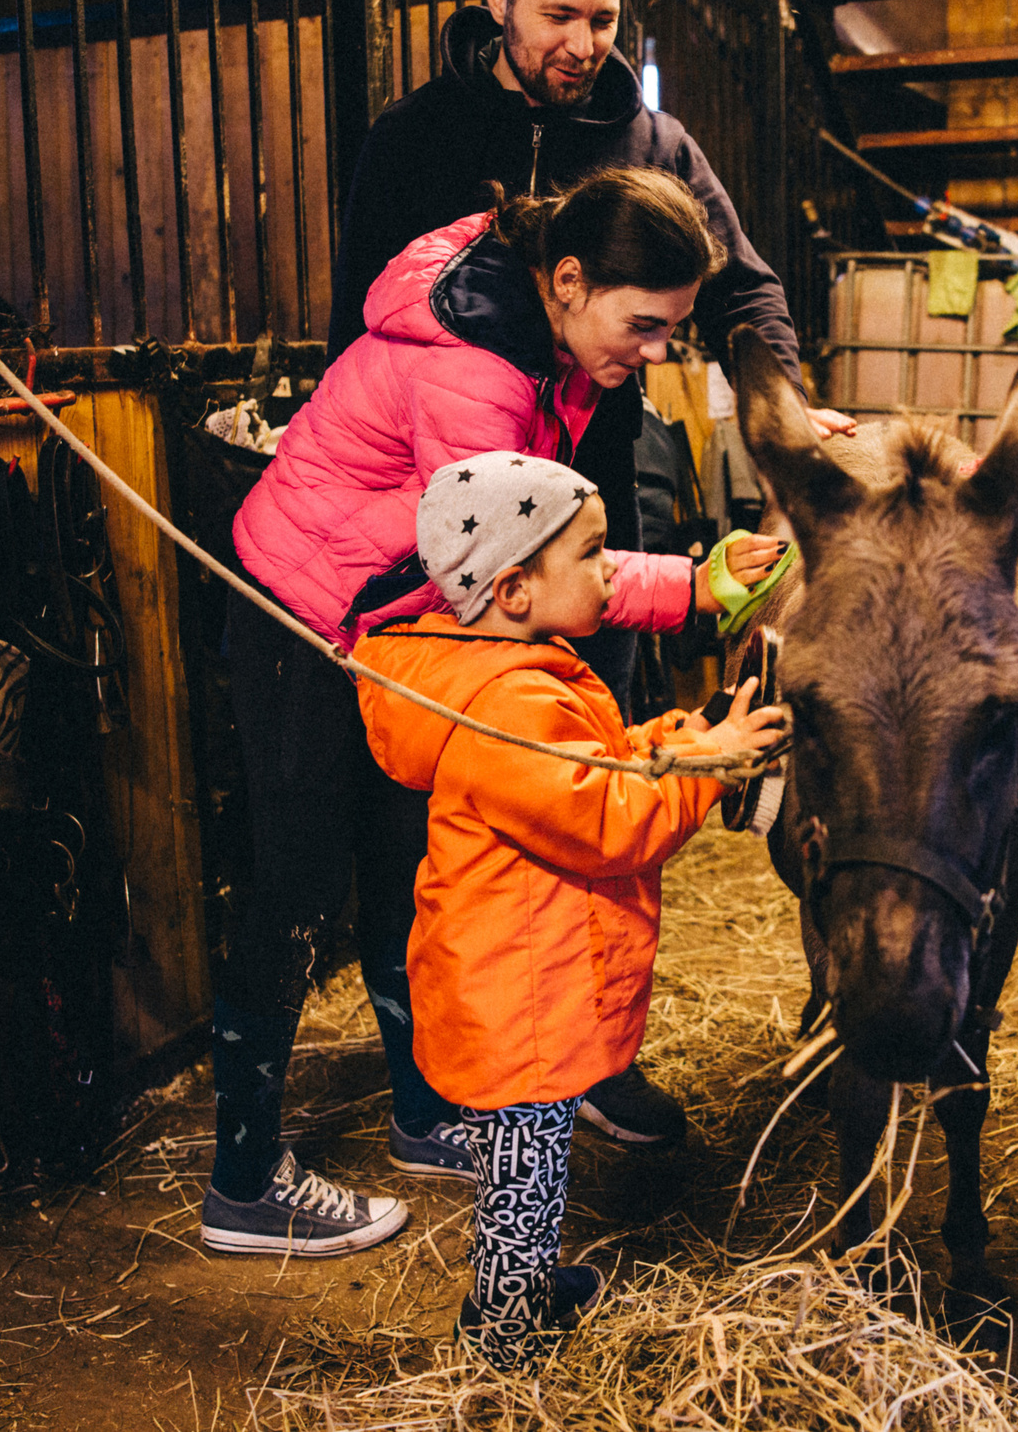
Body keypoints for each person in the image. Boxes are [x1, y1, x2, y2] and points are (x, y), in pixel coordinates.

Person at [320, 0, 847, 1149]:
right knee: (439, 805)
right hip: (439, 528)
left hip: (591, 504)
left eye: (602, 17)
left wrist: (776, 410)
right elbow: (365, 316)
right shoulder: (419, 137)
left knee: (590, 758)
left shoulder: (652, 140)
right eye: (558, 13)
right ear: (497, 0)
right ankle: (437, 1071)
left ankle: (590, 1049)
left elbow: (745, 289)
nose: (582, 41)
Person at [205, 168, 786, 1256]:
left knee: (403, 862)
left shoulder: (537, 337)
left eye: (674, 329)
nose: (657, 352)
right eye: (645, 324)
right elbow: (524, 568)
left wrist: (697, 583)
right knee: (296, 886)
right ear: (566, 281)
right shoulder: (476, 369)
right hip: (305, 610)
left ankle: (426, 1113)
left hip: (388, 620)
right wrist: (691, 588)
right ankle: (242, 1178)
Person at [351, 452, 788, 1367]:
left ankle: (523, 1287)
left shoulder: (506, 669)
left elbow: (598, 767)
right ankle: (508, 1335)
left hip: (515, 976)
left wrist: (683, 734)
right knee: (526, 1173)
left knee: (526, 1170)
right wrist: (708, 767)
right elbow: (607, 820)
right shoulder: (508, 700)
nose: (611, 572)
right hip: (523, 999)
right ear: (514, 588)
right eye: (593, 555)